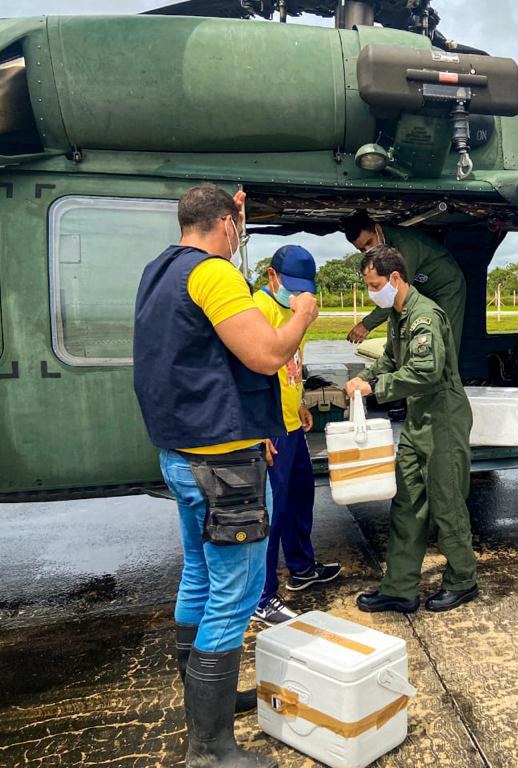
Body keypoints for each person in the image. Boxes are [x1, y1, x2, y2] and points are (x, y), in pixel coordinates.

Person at [133, 183, 317, 768]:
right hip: (221, 468)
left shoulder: (159, 271)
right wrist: (304, 316)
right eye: (239, 223)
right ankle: (209, 748)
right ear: (226, 224)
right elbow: (264, 354)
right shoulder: (212, 274)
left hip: (184, 455)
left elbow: (204, 365)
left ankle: (203, 705)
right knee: (233, 595)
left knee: (199, 576)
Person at [343, 244, 478, 614]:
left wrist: (376, 388)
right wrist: (364, 378)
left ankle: (463, 580)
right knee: (406, 504)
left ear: (396, 278)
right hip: (419, 419)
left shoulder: (424, 316)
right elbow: (389, 358)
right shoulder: (398, 316)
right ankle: (400, 588)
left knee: (447, 505)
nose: (372, 292)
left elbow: (426, 371)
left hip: (444, 421)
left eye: (374, 285)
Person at [251, 245, 342, 626]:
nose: (299, 295)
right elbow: (250, 375)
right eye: (291, 286)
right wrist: (259, 429)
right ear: (272, 277)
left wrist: (301, 400)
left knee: (301, 498)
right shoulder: (257, 311)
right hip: (270, 428)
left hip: (291, 421)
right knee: (270, 513)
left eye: (305, 288)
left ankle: (302, 568)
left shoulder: (296, 310)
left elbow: (291, 366)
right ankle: (262, 595)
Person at [342, 210, 467, 353]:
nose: (368, 250)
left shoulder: (403, 245)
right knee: (418, 341)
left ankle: (447, 376)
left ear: (377, 229)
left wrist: (366, 325)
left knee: (443, 343)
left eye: (369, 242)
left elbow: (395, 293)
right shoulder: (383, 251)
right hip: (422, 291)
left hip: (447, 288)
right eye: (362, 249)